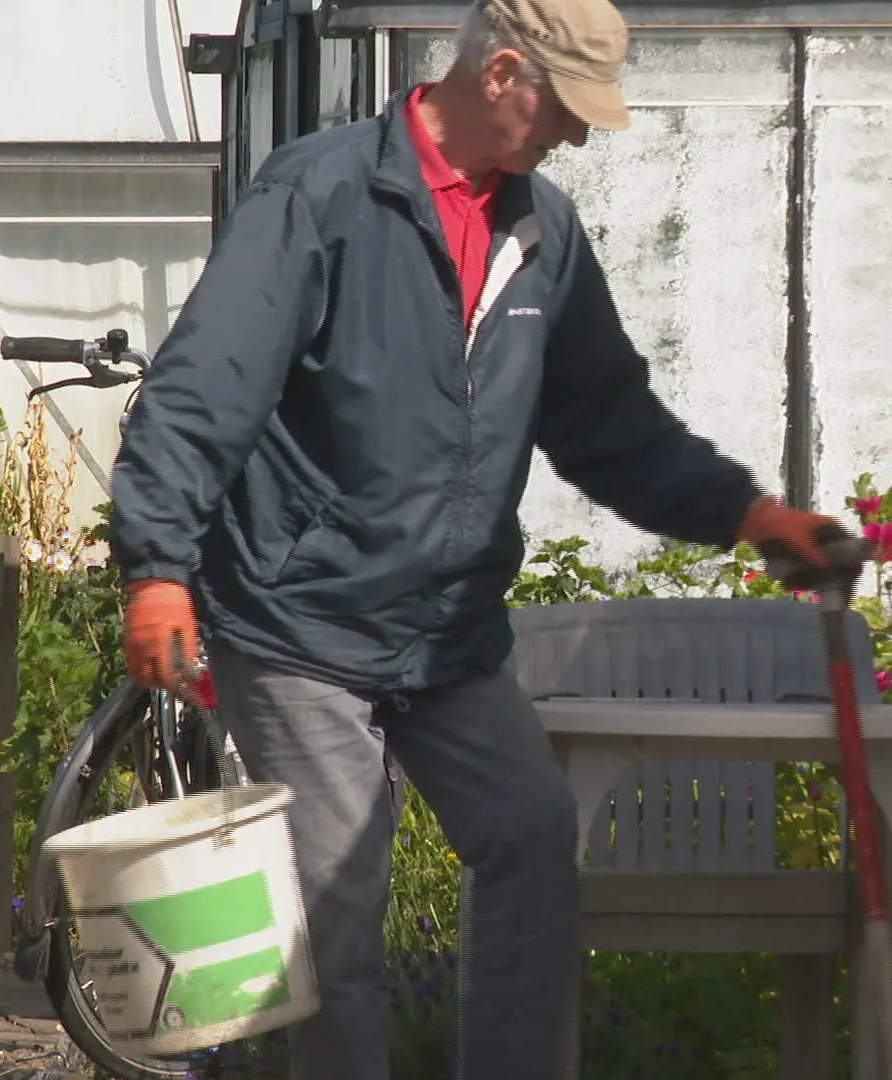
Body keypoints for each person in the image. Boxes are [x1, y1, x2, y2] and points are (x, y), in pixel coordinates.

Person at [105, 0, 849, 1076]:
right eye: (567, 108)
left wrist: (749, 514)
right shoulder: (323, 197)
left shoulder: (540, 233)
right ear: (502, 73)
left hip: (448, 631)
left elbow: (609, 422)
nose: (580, 136)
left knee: (533, 840)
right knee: (335, 907)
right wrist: (158, 570)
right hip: (301, 614)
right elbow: (203, 390)